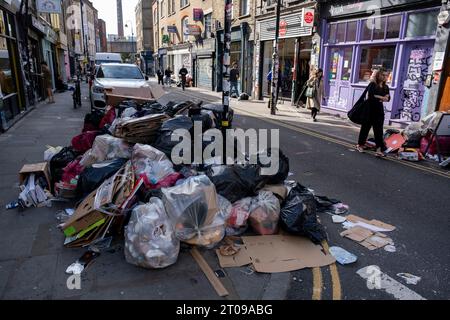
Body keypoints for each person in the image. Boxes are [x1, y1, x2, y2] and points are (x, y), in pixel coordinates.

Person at [356, 68, 390, 157]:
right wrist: (382, 97)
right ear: (378, 75)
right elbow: (371, 96)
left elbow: (388, 98)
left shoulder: (386, 87)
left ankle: (379, 150)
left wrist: (380, 97)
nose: (385, 77)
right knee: (365, 128)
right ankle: (360, 145)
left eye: (386, 75)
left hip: (379, 111)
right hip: (369, 110)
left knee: (379, 131)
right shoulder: (373, 84)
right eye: (383, 75)